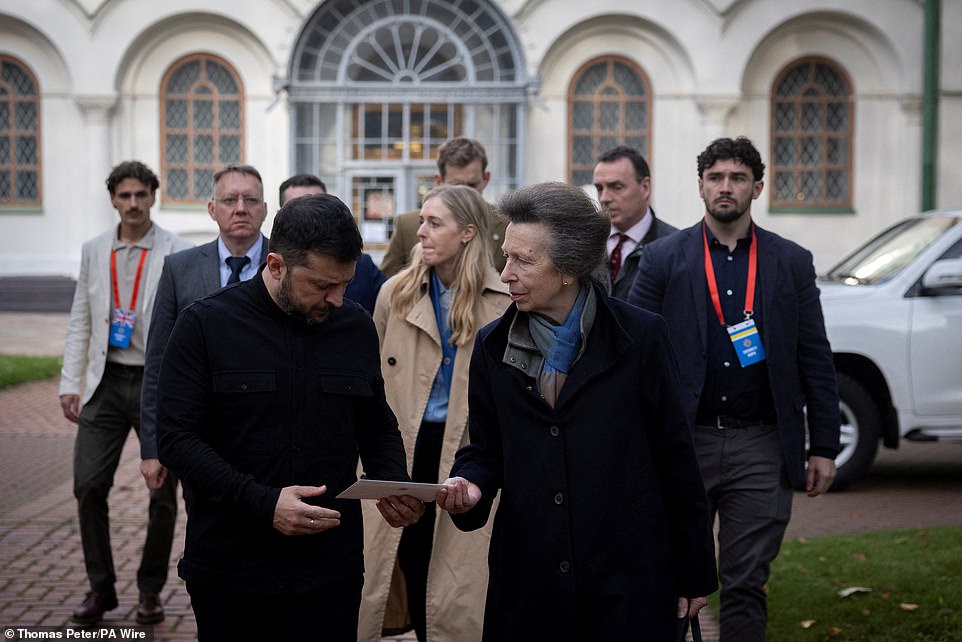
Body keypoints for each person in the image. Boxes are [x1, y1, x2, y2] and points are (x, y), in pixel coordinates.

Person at [436, 182, 718, 640]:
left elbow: (676, 456)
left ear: (569, 268)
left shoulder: (641, 337)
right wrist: (470, 483)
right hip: (530, 583)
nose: (505, 274)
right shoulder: (491, 346)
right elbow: (485, 450)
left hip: (627, 578)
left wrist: (694, 570)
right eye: (505, 256)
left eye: (523, 261)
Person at [155, 193, 424, 641]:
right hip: (232, 570)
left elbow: (375, 422)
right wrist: (264, 503)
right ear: (276, 265)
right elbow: (176, 439)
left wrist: (392, 480)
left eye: (344, 284)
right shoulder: (205, 325)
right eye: (322, 286)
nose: (337, 299)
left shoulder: (355, 326)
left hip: (329, 573)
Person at [628, 136, 841, 641]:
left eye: (738, 178)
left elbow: (814, 356)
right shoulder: (662, 259)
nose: (726, 187)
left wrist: (824, 446)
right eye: (716, 177)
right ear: (701, 186)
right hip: (686, 441)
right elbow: (631, 355)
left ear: (757, 187)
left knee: (746, 583)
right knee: (673, 579)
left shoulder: (791, 261)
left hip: (761, 443)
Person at [359, 185, 511, 642]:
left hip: (469, 451)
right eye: (422, 220)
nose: (421, 231)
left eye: (434, 223)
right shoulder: (394, 294)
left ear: (468, 233)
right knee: (404, 555)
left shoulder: (504, 300)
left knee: (457, 575)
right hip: (404, 445)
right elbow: (372, 379)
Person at [58, 160, 192, 625]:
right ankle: (101, 587)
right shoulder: (95, 250)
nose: (133, 203)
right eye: (124, 195)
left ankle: (150, 589)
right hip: (107, 381)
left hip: (158, 383)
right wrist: (69, 382)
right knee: (88, 483)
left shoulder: (178, 251)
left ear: (153, 196)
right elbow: (80, 317)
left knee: (162, 490)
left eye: (141, 194)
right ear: (113, 200)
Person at [140, 164, 269, 497]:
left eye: (250, 200)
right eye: (229, 200)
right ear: (212, 209)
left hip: (270, 430)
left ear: (265, 209)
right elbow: (158, 362)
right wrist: (152, 446)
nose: (240, 208)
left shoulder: (284, 264)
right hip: (201, 434)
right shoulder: (179, 269)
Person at [380, 137, 507, 276]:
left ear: (486, 179)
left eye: (472, 185)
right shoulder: (408, 226)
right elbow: (387, 281)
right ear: (439, 181)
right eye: (456, 186)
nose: (465, 194)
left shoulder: (507, 225)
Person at [279, 173, 386, 313]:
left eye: (319, 207)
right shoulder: (272, 269)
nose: (336, 300)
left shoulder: (361, 267)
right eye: (321, 285)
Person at [592, 145, 677, 299]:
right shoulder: (586, 243)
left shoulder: (675, 246)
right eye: (599, 188)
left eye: (616, 187)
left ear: (645, 188)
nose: (604, 198)